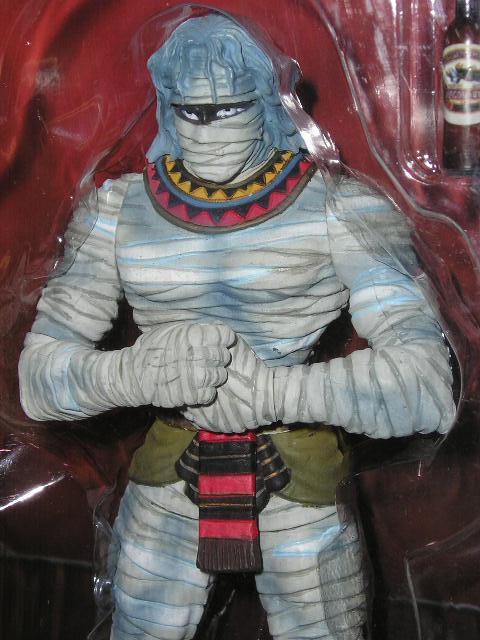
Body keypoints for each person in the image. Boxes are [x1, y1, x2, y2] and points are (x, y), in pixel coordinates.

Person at [18, 13, 455, 640]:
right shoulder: (115, 210)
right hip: (169, 478)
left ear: (266, 101)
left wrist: (280, 392)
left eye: (228, 108)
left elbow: (428, 382)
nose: (207, 126)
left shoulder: (343, 208)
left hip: (298, 483)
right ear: (167, 105)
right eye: (190, 110)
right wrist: (134, 373)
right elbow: (38, 379)